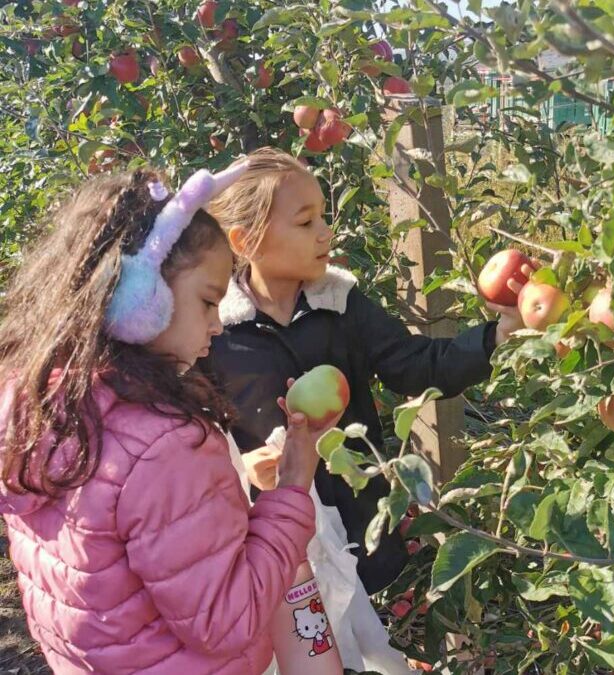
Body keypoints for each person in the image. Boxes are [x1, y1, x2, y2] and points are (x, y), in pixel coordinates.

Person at [0, 161, 331, 674]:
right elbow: (228, 621)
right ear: (139, 297)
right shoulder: (165, 446)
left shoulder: (33, 400)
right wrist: (288, 491)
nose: (218, 325)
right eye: (207, 301)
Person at [202, 147, 531, 594]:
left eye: (323, 216)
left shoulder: (341, 304)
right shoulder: (215, 332)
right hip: (277, 550)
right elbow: (189, 437)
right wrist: (241, 469)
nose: (325, 232)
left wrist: (496, 337)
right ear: (245, 242)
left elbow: (417, 366)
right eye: (305, 222)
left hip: (366, 533)